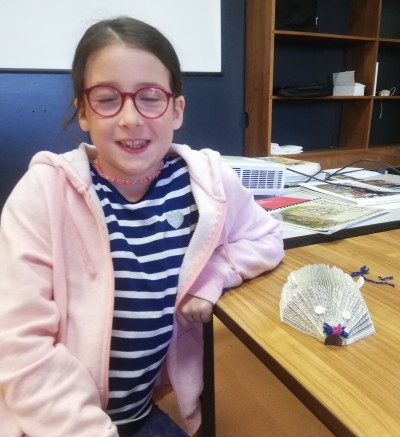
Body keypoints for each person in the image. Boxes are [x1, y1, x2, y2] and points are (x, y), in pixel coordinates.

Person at [0, 16, 284, 437]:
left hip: (144, 414)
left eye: (150, 97)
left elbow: (266, 236)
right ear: (83, 112)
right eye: (107, 98)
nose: (131, 118)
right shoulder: (44, 192)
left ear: (177, 110)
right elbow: (19, 346)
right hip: (47, 422)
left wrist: (213, 276)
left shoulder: (205, 182)